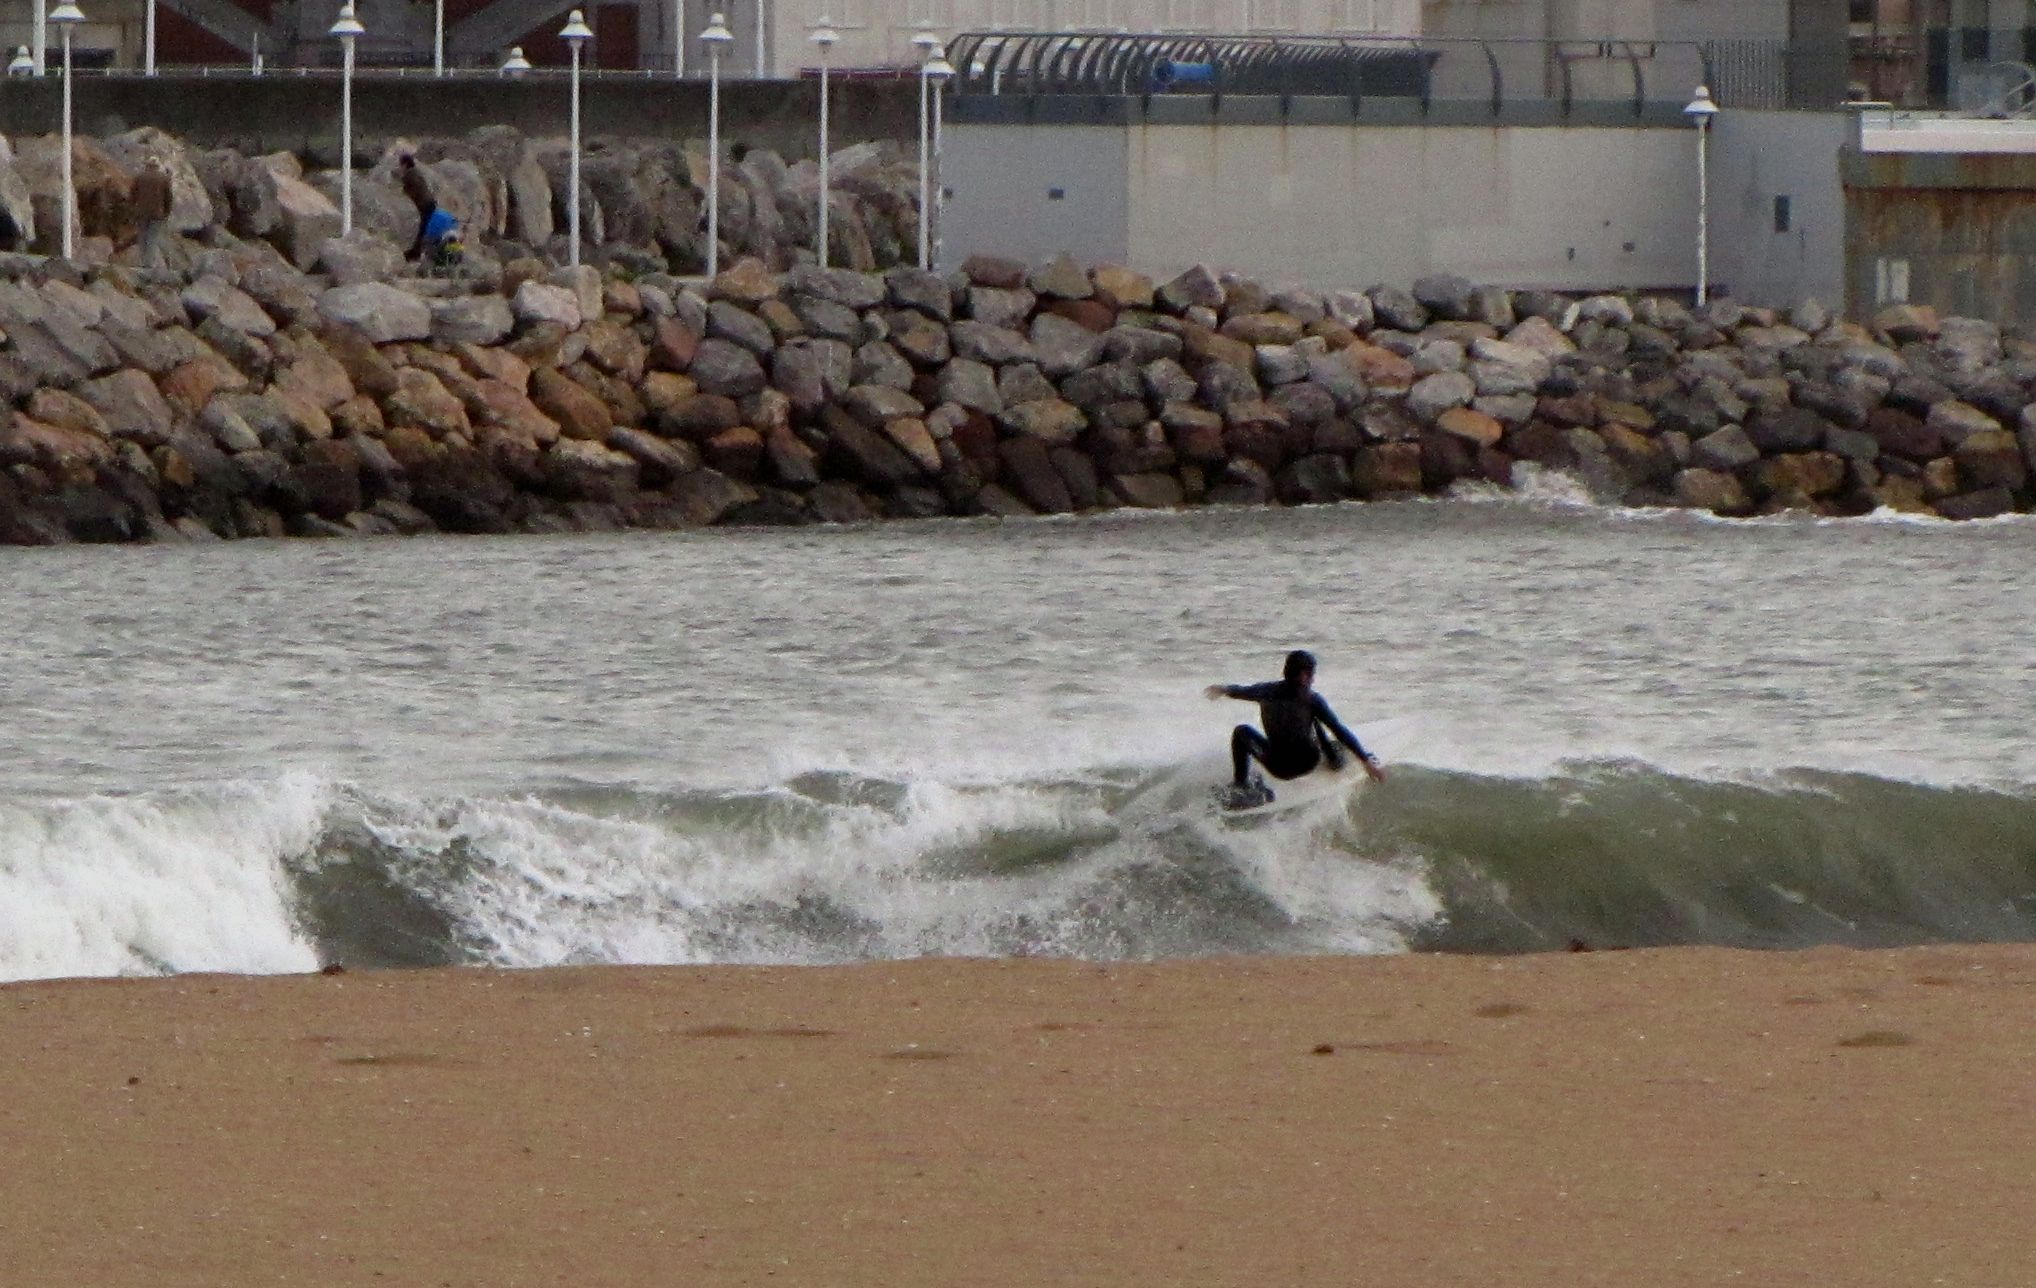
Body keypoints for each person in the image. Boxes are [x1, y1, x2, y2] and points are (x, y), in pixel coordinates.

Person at [1205, 650, 1385, 803]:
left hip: (1277, 767)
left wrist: (1223, 689)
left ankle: (1241, 786)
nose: (1313, 679)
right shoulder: (1311, 699)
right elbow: (1338, 730)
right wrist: (1365, 760)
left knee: (1241, 732)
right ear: (1303, 675)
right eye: (1311, 674)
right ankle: (1335, 760)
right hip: (1306, 762)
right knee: (1316, 719)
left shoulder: (1266, 691)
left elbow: (1240, 691)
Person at [131, 155, 173, 270]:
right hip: (157, 213)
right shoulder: (164, 178)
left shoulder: (139, 177)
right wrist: (167, 212)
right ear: (157, 166)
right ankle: (149, 263)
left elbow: (132, 194)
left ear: (147, 165)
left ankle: (142, 261)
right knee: (152, 237)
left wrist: (134, 207)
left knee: (142, 236)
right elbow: (168, 197)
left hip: (141, 212)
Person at [398, 154, 436, 261]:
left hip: (424, 205)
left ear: (405, 164)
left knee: (422, 230)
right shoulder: (416, 172)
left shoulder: (409, 175)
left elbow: (414, 189)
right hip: (429, 203)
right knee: (424, 229)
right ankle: (418, 252)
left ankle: (416, 253)